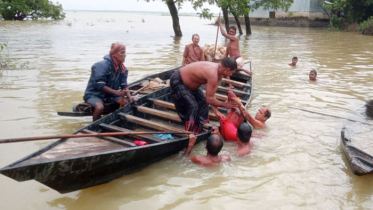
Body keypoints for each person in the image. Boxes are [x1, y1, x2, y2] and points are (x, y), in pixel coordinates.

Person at [170, 57, 239, 133]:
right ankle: (190, 133)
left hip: (190, 86)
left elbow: (211, 96)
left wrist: (216, 111)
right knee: (193, 106)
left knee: (203, 101)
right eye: (231, 73)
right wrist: (224, 104)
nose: (231, 74)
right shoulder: (213, 74)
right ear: (227, 70)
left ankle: (201, 124)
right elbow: (209, 99)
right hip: (178, 80)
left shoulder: (219, 74)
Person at [83, 42, 133, 121]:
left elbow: (124, 85)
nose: (125, 55)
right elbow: (100, 86)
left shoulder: (122, 69)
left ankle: (119, 121)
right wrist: (117, 93)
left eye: (125, 52)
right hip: (95, 94)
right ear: (115, 54)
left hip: (110, 95)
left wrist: (130, 97)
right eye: (122, 52)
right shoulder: (102, 65)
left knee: (127, 103)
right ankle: (96, 127)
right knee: (99, 108)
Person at [214, 16, 252, 88]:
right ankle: (229, 84)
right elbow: (225, 56)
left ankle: (243, 70)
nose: (231, 33)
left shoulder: (235, 39)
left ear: (235, 33)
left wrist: (220, 23)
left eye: (232, 32)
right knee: (225, 68)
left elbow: (223, 34)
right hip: (232, 61)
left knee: (230, 66)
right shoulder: (228, 44)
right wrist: (217, 60)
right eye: (230, 31)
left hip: (238, 59)